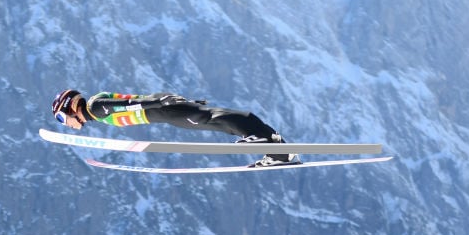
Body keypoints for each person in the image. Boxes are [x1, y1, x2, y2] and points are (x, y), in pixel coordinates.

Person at [51, 89, 299, 167]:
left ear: (71, 108)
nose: (67, 125)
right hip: (162, 110)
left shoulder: (95, 107)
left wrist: (162, 102)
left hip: (162, 111)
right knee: (215, 120)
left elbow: (128, 104)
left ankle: (272, 145)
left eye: (62, 119)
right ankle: (275, 148)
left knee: (214, 118)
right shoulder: (96, 108)